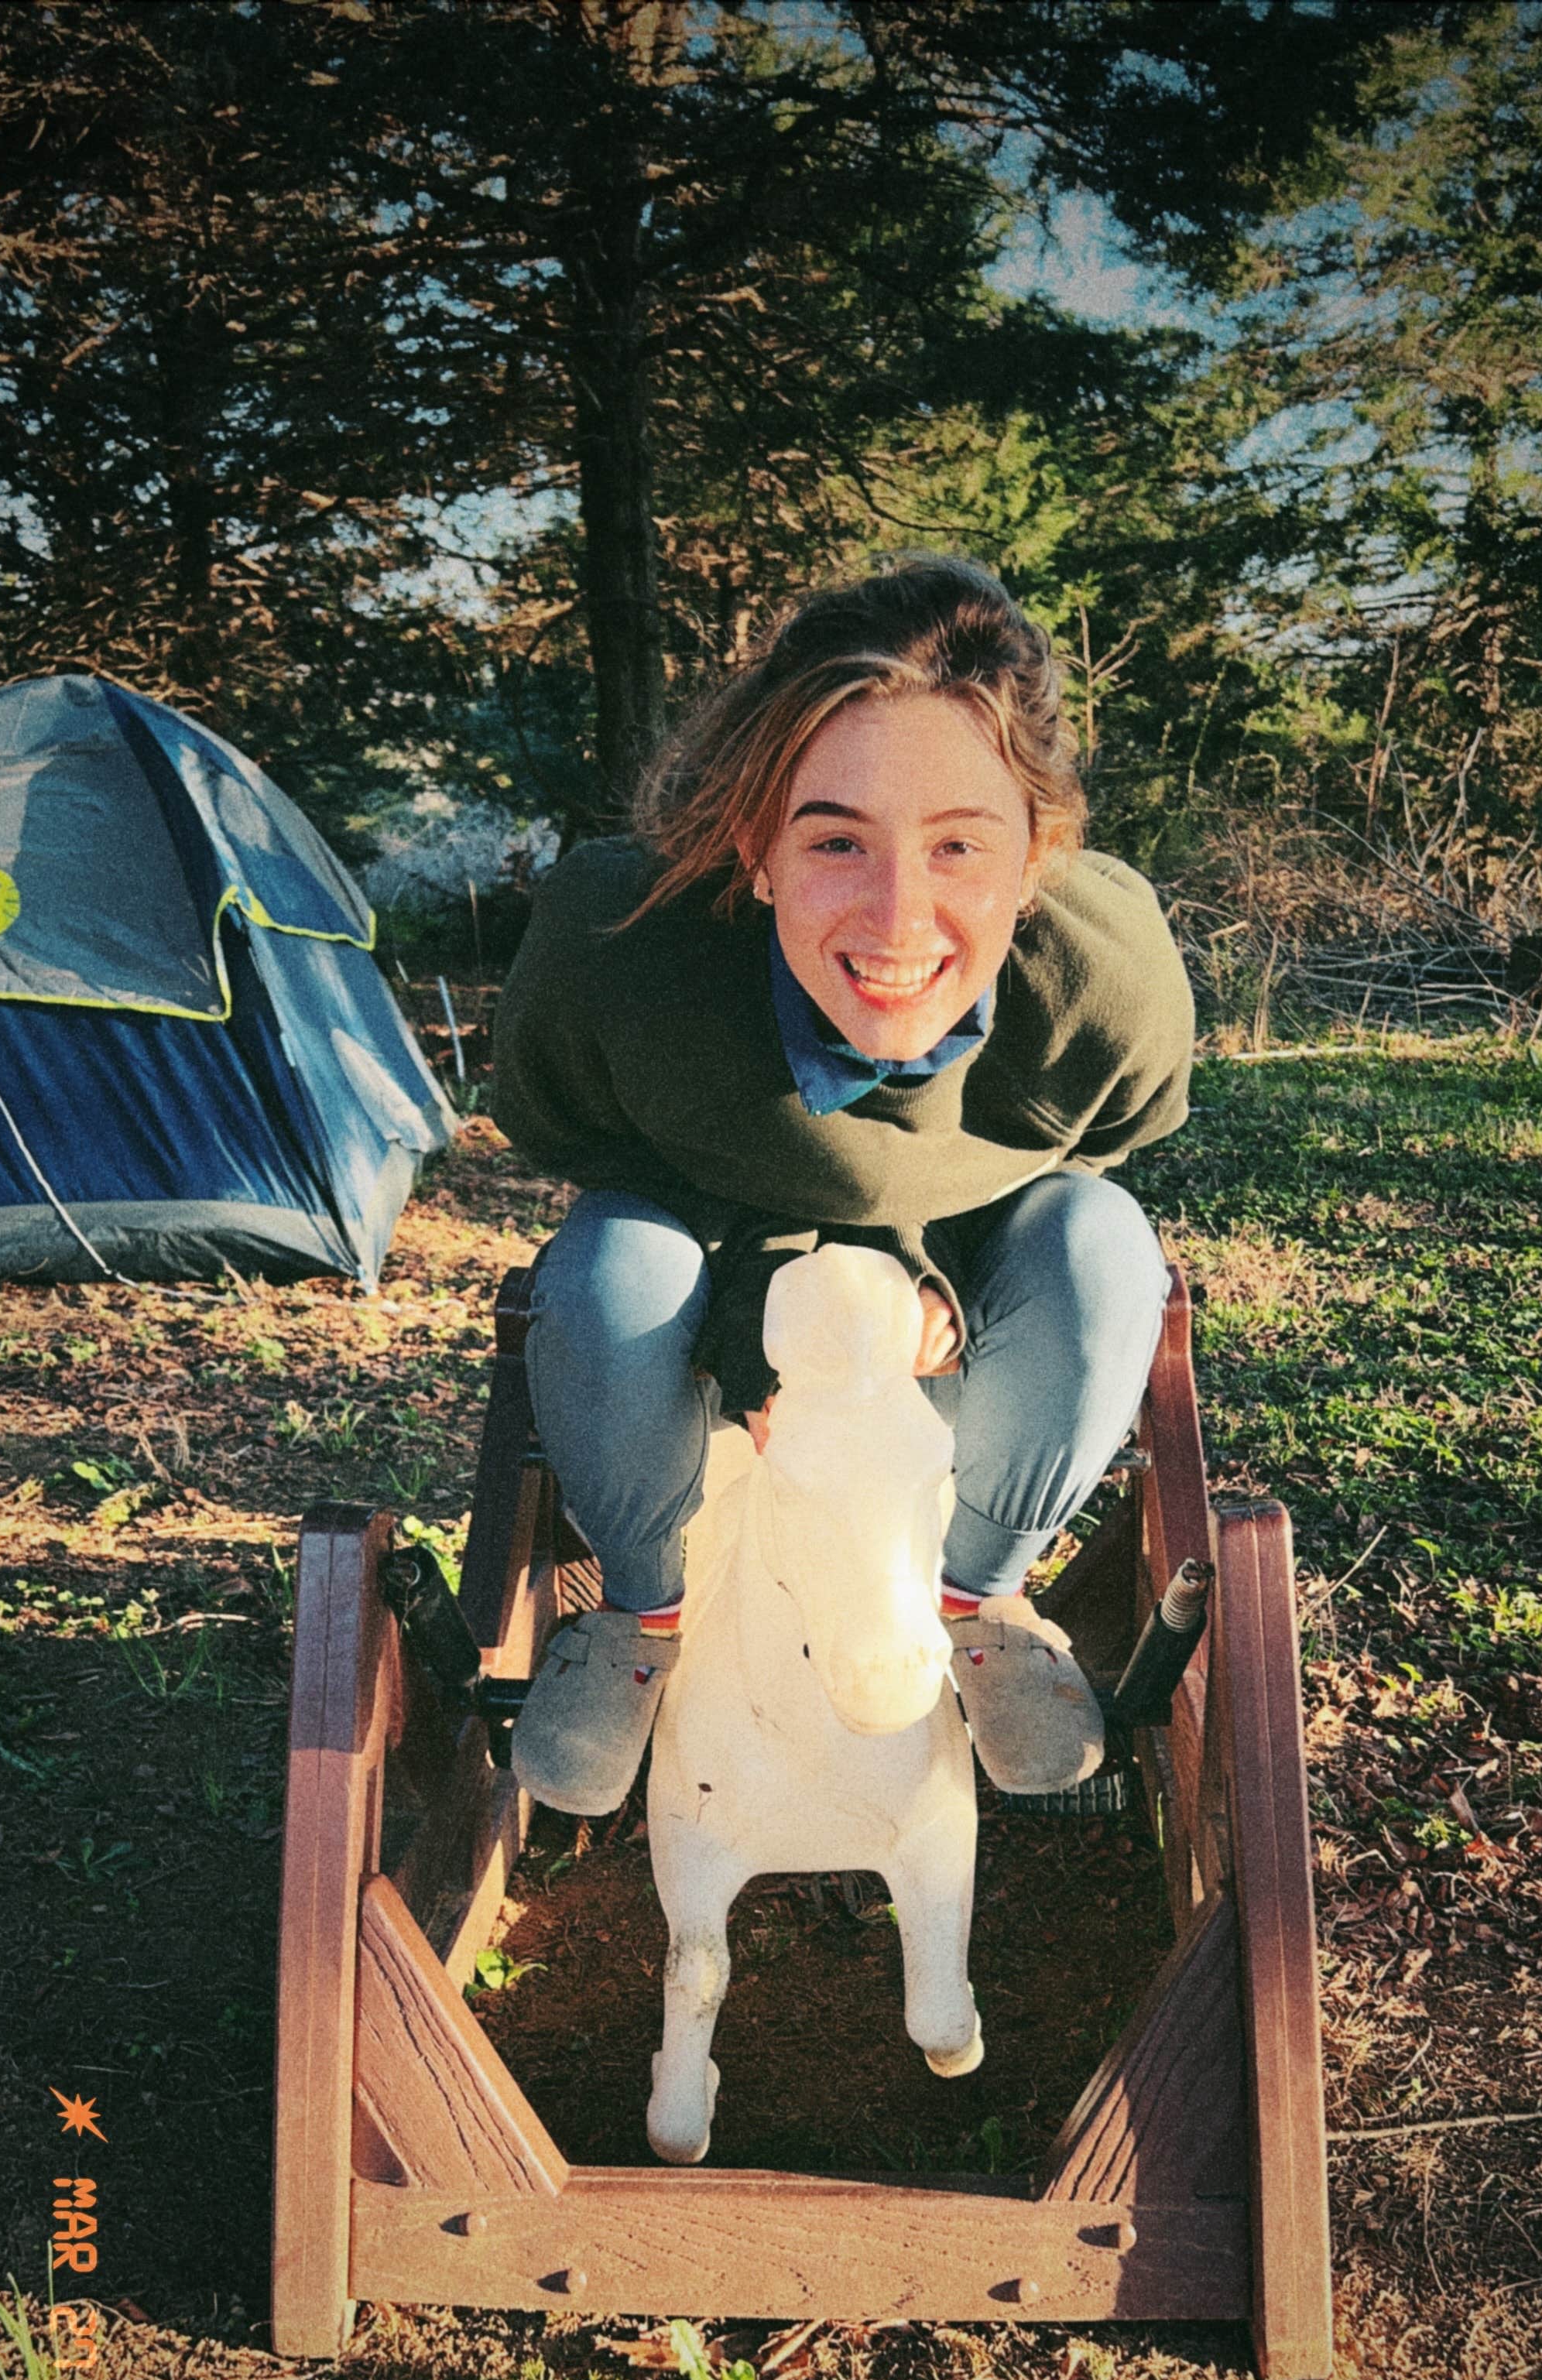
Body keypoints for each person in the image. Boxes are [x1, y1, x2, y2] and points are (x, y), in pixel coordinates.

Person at [489, 554, 1192, 1816]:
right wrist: (762, 1302)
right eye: (834, 840)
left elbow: (1071, 1153)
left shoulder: (1106, 978)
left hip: (972, 1262)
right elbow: (599, 1151)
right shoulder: (618, 950)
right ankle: (643, 1612)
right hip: (699, 1230)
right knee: (608, 1268)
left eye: (960, 846)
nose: (899, 916)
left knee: (1102, 1240)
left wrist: (926, 1279)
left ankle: (982, 1598)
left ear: (1035, 858)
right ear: (754, 849)